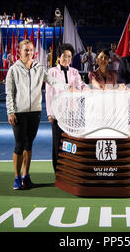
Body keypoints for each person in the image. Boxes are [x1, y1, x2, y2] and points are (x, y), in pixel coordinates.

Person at [6, 40, 72, 190]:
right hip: (19, 113)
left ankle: (26, 176)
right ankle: (17, 178)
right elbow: (9, 93)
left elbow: (53, 81)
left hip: (35, 112)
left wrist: (68, 87)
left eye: (30, 50)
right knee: (19, 146)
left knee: (29, 145)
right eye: (25, 50)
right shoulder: (13, 70)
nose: (28, 53)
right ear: (20, 51)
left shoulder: (39, 68)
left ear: (34, 52)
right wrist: (11, 111)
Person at [45, 43, 86, 172]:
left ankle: (70, 168)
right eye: (64, 56)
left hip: (72, 112)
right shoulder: (52, 72)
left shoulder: (74, 72)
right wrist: (50, 113)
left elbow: (80, 85)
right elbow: (49, 94)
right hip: (58, 113)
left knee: (70, 141)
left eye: (69, 56)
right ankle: (57, 170)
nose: (66, 59)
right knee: (58, 142)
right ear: (58, 56)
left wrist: (86, 88)